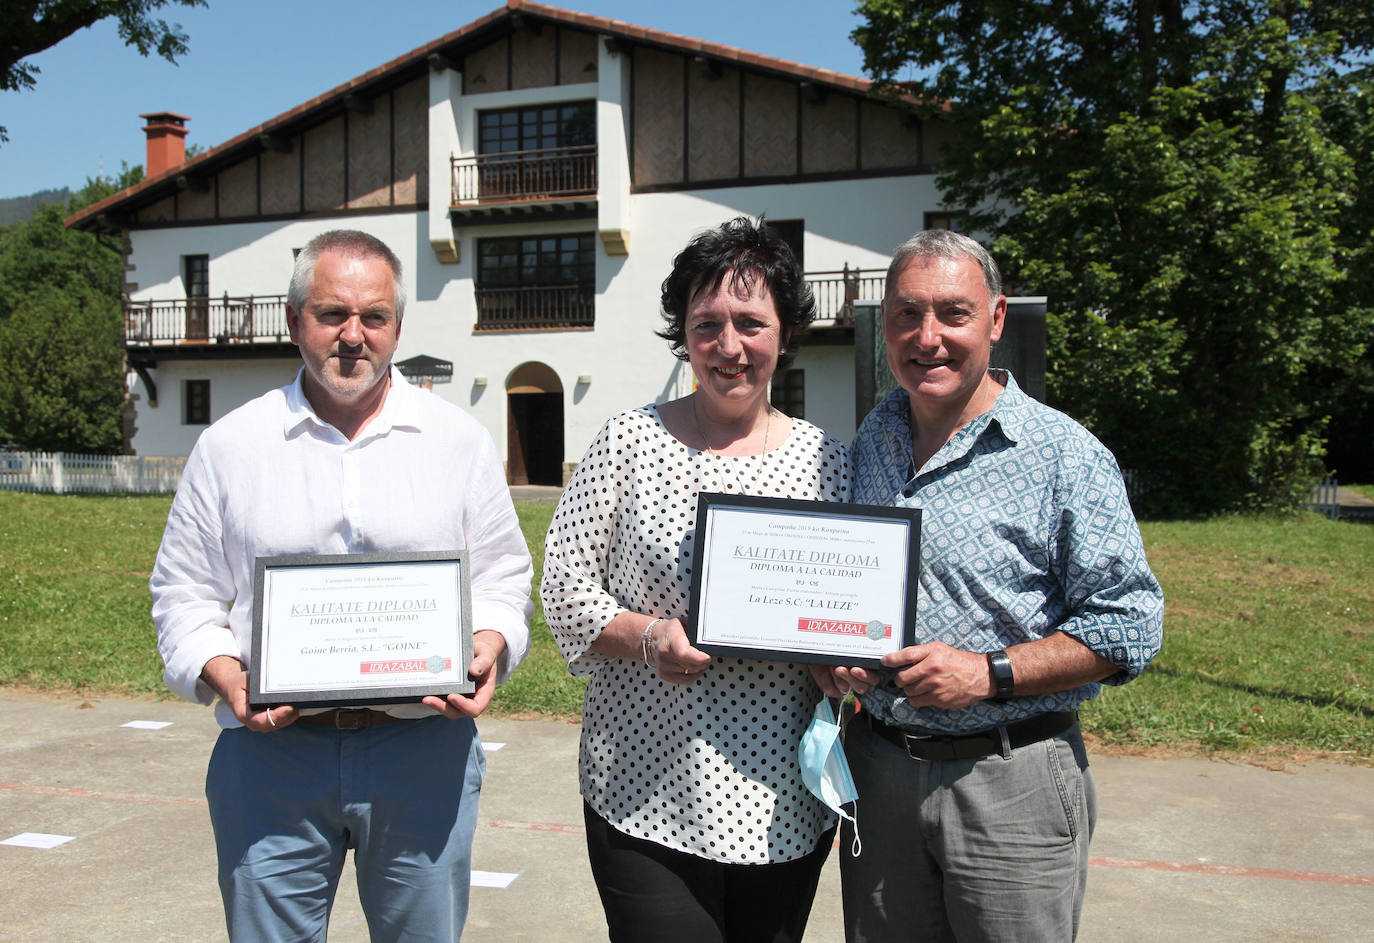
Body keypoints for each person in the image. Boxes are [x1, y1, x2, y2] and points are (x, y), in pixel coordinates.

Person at [150, 229, 533, 942]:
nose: (353, 335)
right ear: (296, 321)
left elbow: (504, 576)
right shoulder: (232, 447)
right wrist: (225, 673)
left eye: (374, 317)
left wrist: (488, 644)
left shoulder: (457, 441)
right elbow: (183, 590)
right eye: (332, 314)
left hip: (423, 750)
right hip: (272, 758)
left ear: (395, 328)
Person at [813, 230, 1164, 943]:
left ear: (997, 319)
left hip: (1014, 781)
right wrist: (829, 650)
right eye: (907, 314)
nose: (927, 336)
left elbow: (1131, 624)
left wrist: (987, 672)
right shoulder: (873, 436)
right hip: (879, 775)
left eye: (953, 313)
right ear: (885, 325)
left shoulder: (1064, 454)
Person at [541, 217, 849, 943]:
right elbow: (564, 585)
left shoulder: (828, 462)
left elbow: (850, 606)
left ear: (784, 332)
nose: (729, 346)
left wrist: (844, 656)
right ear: (683, 332)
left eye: (750, 322)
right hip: (645, 782)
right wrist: (648, 637)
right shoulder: (627, 441)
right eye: (707, 324)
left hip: (784, 798)